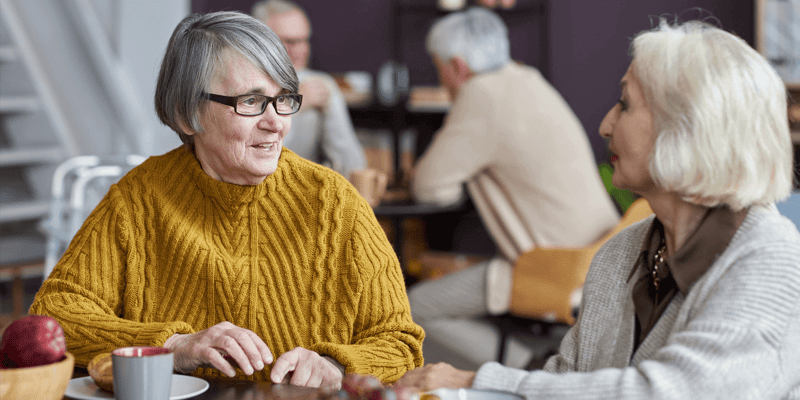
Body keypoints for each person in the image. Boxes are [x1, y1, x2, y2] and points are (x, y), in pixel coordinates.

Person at [396, 19, 800, 398]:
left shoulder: (769, 258)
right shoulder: (619, 255)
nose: (606, 124)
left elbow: (671, 392)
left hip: (549, 262)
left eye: (625, 105)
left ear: (689, 127)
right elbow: (568, 382)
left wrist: (477, 380)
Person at [30, 11, 424, 389]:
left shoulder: (334, 203)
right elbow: (54, 318)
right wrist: (173, 346)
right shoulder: (138, 199)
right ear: (187, 115)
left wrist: (335, 367)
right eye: (251, 102)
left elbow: (399, 343)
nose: (276, 122)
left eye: (284, 98)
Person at [408, 7, 619, 368]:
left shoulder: (481, 95)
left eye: (438, 68)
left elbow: (429, 187)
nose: (441, 79)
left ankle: (529, 368)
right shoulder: (525, 78)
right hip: (601, 249)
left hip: (557, 265)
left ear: (456, 67)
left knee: (411, 312)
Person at [252, 0, 367, 179]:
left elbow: (354, 169)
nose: (301, 50)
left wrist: (330, 109)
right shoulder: (243, 87)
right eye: (290, 41)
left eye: (304, 40)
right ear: (260, 41)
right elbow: (258, 166)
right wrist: (295, 106)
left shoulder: (319, 84)